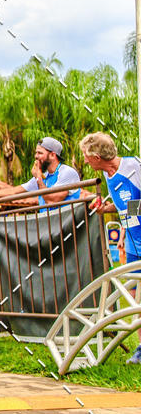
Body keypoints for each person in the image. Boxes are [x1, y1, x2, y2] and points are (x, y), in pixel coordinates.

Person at [80, 132, 141, 364]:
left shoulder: (134, 167)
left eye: (86, 156)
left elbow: (133, 206)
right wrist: (108, 210)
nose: (85, 160)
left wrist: (127, 211)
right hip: (133, 245)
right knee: (135, 299)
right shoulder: (108, 174)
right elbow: (125, 207)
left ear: (96, 156)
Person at [21, 137, 81, 207]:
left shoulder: (67, 172)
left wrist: (38, 179)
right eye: (36, 153)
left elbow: (51, 200)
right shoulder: (44, 175)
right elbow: (15, 191)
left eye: (40, 153)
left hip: (66, 217)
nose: (36, 156)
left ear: (52, 155)